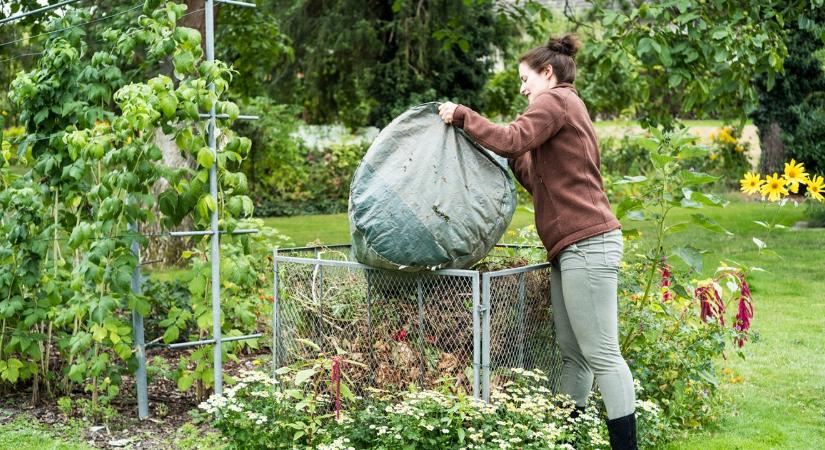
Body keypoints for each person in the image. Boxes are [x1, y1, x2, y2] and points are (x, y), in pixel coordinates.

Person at [438, 34, 637, 450]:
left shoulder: (556, 100)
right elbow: (534, 176)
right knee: (575, 356)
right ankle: (568, 440)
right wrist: (509, 154)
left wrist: (463, 115)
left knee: (601, 355)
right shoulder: (564, 108)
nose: (523, 88)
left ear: (548, 73)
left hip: (589, 244)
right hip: (572, 247)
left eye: (526, 78)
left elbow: (511, 137)